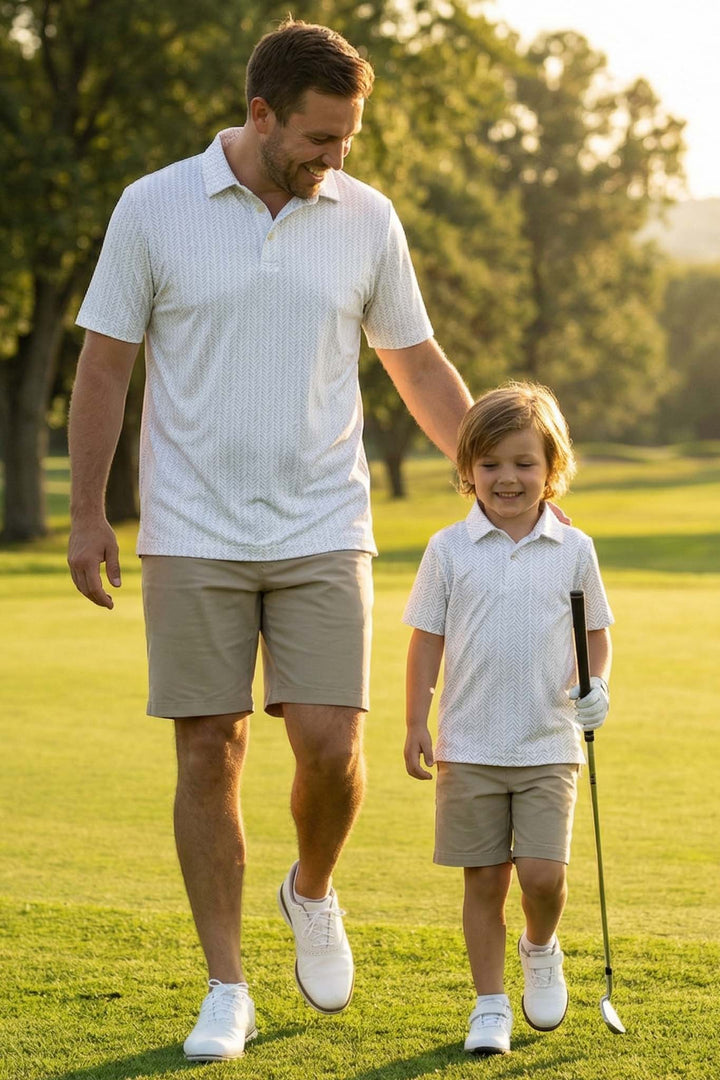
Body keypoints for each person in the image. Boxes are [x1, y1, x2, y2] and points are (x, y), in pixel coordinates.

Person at [66, 18, 475, 1062]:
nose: (336, 160)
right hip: (192, 530)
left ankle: (312, 888)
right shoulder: (152, 208)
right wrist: (83, 514)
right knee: (211, 748)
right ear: (260, 114)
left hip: (322, 524)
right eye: (321, 139)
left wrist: (498, 484)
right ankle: (226, 986)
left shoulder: (366, 218)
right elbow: (105, 367)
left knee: (333, 750)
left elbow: (417, 363)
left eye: (348, 141)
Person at [402, 381, 613, 1056]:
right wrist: (416, 721)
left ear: (553, 470)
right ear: (467, 470)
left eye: (524, 463)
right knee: (486, 879)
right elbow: (425, 639)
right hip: (469, 744)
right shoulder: (448, 549)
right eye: (490, 464)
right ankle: (489, 1004)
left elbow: (597, 634)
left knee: (544, 878)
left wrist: (596, 684)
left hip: (550, 742)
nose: (507, 478)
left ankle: (540, 945)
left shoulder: (575, 550)